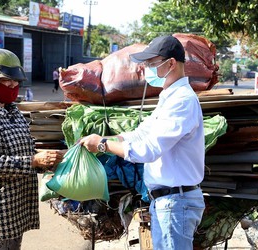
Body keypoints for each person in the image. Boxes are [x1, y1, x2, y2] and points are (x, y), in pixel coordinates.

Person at [79, 35, 205, 249]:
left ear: (171, 63)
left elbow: (147, 150)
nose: (146, 68)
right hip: (167, 202)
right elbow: (139, 134)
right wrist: (104, 139)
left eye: (151, 63)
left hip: (176, 203)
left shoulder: (182, 101)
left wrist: (103, 145)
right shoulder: (169, 99)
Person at [0, 48, 64, 250]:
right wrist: (34, 161)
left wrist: (49, 161)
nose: (13, 85)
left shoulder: (12, 111)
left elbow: (24, 151)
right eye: (7, 80)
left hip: (13, 213)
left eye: (16, 81)